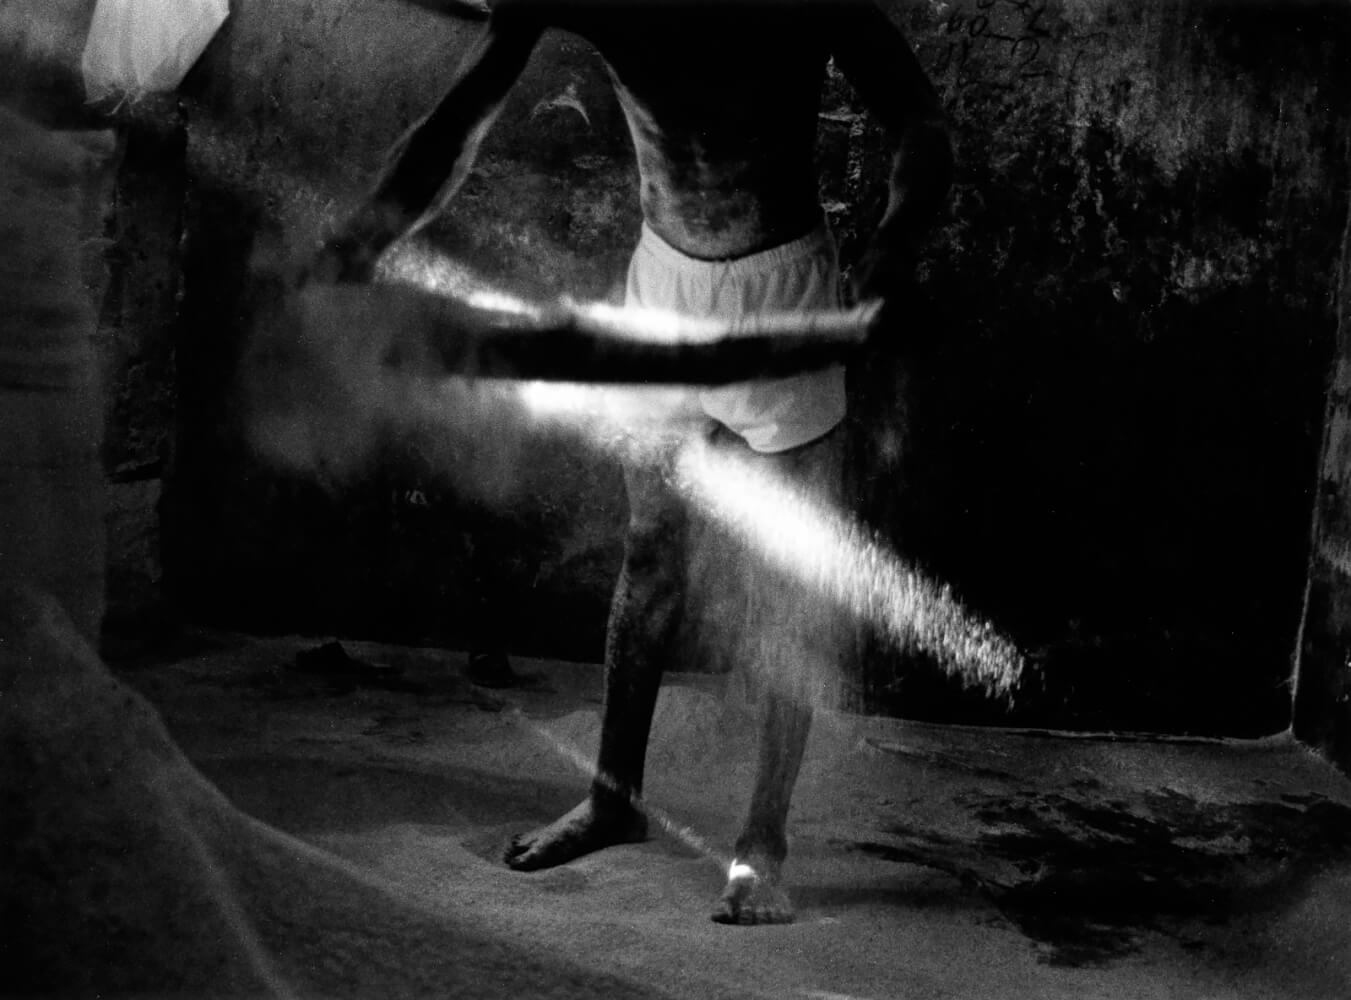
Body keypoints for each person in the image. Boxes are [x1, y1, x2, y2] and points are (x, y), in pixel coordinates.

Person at [309, 0, 952, 924]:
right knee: (648, 553)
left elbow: (919, 119)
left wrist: (893, 247)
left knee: (786, 581)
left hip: (786, 292)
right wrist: (367, 237)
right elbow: (460, 119)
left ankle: (762, 841)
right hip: (660, 291)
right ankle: (613, 801)